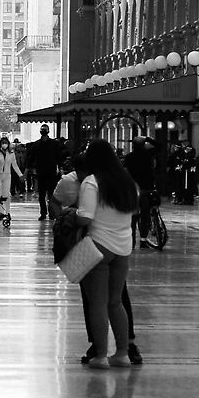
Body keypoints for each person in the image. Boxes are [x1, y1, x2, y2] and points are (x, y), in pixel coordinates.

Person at [71, 139, 141, 366]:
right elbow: (133, 211)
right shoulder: (128, 182)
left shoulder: (92, 182)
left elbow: (85, 217)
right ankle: (122, 353)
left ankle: (101, 355)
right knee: (115, 301)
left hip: (98, 245)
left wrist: (70, 216)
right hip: (123, 247)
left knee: (97, 303)